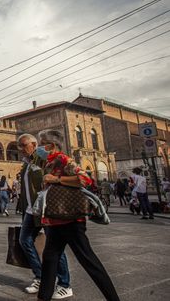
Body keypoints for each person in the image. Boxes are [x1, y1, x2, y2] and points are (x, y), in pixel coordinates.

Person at [36, 129, 119, 301]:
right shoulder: (48, 163)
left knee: (89, 261)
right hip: (55, 220)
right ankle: (43, 298)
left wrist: (57, 179)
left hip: (71, 221)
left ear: (51, 145)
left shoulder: (64, 159)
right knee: (50, 261)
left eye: (41, 144)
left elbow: (85, 180)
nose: (39, 147)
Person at [16, 133, 72, 298]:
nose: (20, 149)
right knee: (24, 240)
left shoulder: (43, 158)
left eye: (23, 145)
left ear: (34, 144)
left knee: (54, 247)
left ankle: (64, 284)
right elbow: (27, 188)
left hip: (46, 208)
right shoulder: (26, 163)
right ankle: (41, 276)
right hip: (31, 209)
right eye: (19, 146)